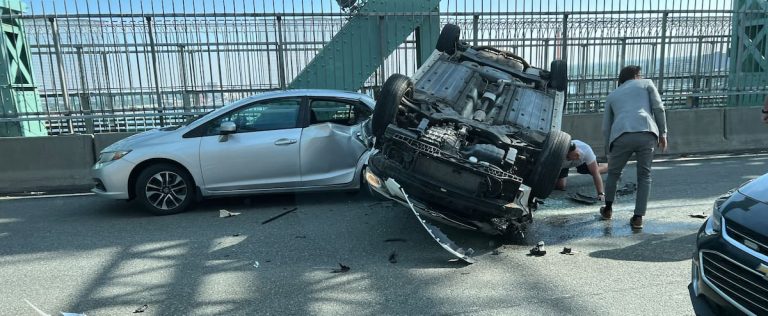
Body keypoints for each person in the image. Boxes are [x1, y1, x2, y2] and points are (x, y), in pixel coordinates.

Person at [599, 65, 668, 230]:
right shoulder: (646, 84)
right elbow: (659, 108)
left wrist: (608, 148)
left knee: (614, 174)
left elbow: (606, 127)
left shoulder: (612, 95)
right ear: (636, 75)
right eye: (640, 74)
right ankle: (638, 218)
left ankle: (607, 209)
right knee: (644, 175)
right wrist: (663, 133)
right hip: (646, 132)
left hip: (621, 135)